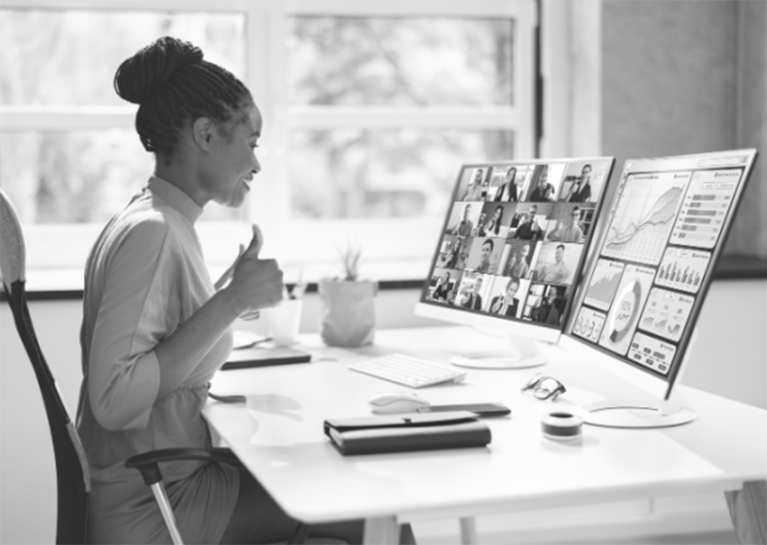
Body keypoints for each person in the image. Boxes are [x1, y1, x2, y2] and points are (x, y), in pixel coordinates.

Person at [76, 37, 368, 545]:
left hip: (165, 481)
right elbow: (114, 399)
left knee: (325, 478)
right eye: (252, 143)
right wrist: (232, 302)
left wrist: (229, 292)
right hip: (155, 503)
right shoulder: (155, 231)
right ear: (206, 134)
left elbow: (157, 345)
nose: (257, 164)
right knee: (369, 510)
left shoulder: (156, 219)